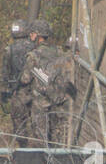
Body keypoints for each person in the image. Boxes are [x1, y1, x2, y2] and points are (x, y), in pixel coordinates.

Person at [16, 19, 76, 147]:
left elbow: (25, 79)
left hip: (40, 103)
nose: (30, 36)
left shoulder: (33, 56)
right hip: (59, 100)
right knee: (58, 138)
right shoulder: (60, 52)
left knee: (41, 139)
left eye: (32, 34)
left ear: (37, 36)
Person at [0, 19, 32, 140]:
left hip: (18, 91)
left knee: (19, 122)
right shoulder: (34, 47)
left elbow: (5, 72)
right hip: (34, 90)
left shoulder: (10, 49)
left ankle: (22, 148)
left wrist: (4, 91)